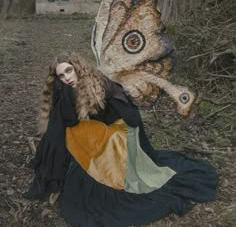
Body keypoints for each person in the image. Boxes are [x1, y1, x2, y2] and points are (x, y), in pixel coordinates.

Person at [24, 51, 218, 227]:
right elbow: (67, 120)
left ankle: (98, 168)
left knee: (80, 135)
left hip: (122, 130)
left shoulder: (100, 83)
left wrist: (116, 138)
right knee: (73, 132)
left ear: (78, 68)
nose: (67, 78)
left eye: (69, 71)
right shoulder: (68, 88)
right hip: (101, 132)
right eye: (61, 75)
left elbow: (131, 118)